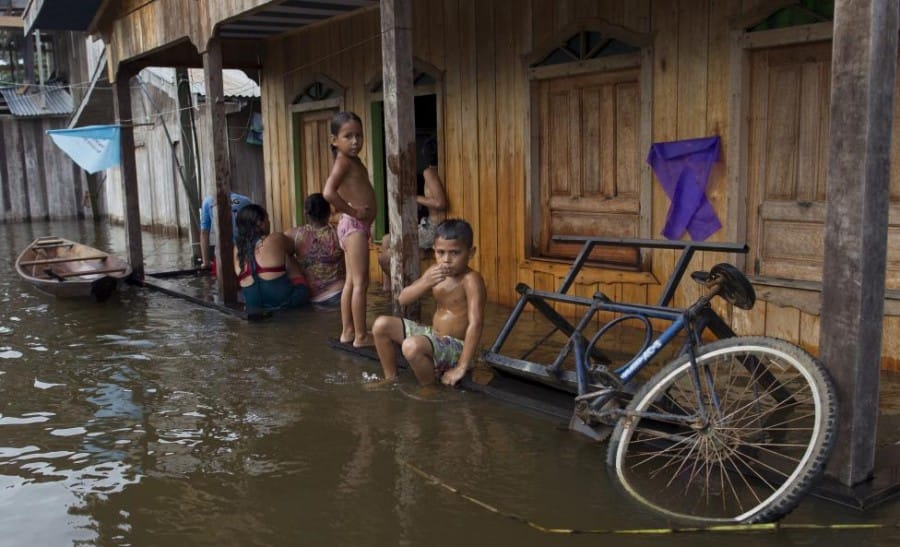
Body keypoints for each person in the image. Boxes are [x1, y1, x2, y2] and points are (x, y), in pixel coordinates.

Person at [370, 219, 486, 387]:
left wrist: (462, 366)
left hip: (456, 348)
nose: (446, 259)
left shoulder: (471, 280)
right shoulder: (434, 271)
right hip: (435, 338)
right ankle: (390, 379)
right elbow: (403, 298)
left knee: (411, 346)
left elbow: (476, 323)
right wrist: (426, 282)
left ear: (471, 252)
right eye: (441, 253)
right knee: (380, 324)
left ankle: (430, 388)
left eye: (455, 253)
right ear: (434, 251)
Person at [323, 111, 377, 347]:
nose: (355, 141)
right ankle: (361, 336)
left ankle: (348, 332)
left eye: (359, 136)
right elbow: (328, 192)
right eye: (348, 136)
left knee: (351, 282)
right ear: (335, 140)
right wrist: (355, 213)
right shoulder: (343, 161)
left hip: (355, 226)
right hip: (354, 225)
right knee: (360, 283)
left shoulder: (352, 160)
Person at [378, 137, 448, 290]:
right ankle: (386, 287)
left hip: (432, 230)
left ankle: (404, 289)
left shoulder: (429, 172)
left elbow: (440, 203)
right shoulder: (439, 171)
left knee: (384, 258)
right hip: (428, 225)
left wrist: (414, 197)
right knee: (385, 239)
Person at [233, 203, 309, 310]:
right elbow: (294, 247)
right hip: (284, 304)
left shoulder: (237, 249)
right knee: (287, 257)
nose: (269, 222)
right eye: (267, 219)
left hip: (254, 308)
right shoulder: (275, 238)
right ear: (260, 223)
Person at [284, 193, 345, 308]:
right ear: (328, 212)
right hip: (338, 293)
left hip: (312, 298)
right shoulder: (339, 233)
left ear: (305, 213)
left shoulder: (294, 235)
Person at [199, 191, 252, 270]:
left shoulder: (207, 202)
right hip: (243, 254)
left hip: (221, 255)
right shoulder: (245, 201)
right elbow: (253, 228)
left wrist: (206, 262)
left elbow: (204, 233)